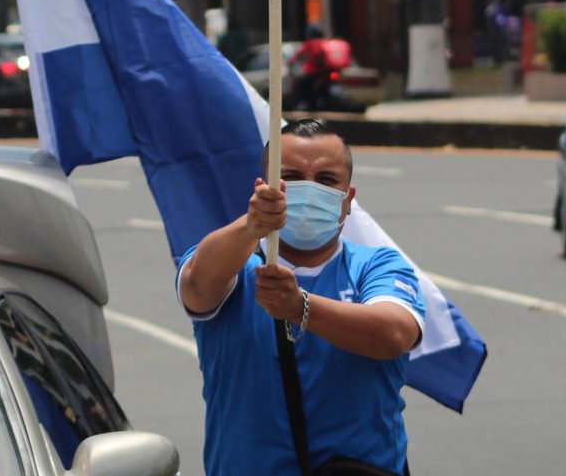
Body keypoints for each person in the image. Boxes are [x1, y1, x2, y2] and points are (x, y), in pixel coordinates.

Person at [176, 118, 425, 476]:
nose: (309, 190)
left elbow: (394, 334)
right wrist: (250, 225)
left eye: (326, 180)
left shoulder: (377, 266)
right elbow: (198, 284)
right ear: (262, 189)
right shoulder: (234, 265)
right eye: (291, 177)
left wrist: (300, 307)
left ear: (348, 199)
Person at [289, 24, 332, 112]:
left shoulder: (310, 43)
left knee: (298, 84)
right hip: (327, 72)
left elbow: (298, 55)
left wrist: (290, 62)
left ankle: (300, 104)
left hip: (313, 72)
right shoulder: (326, 42)